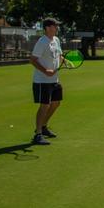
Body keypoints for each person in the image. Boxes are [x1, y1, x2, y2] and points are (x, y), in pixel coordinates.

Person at [30, 17, 64, 145]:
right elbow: (33, 59)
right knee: (44, 105)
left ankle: (44, 127)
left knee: (56, 103)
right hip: (42, 80)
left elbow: (59, 55)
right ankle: (38, 134)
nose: (57, 28)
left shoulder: (56, 40)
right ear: (48, 28)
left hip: (54, 79)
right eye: (55, 26)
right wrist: (45, 71)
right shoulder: (42, 42)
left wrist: (65, 60)